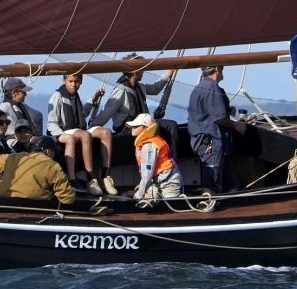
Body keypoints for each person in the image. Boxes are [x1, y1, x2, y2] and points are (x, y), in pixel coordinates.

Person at [47, 70, 118, 195]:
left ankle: (105, 176)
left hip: (79, 129)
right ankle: (90, 179)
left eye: (77, 81)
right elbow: (51, 122)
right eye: (70, 81)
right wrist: (61, 135)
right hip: (65, 130)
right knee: (85, 135)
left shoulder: (76, 96)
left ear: (81, 82)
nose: (73, 85)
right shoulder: (57, 96)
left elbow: (82, 114)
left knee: (106, 132)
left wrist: (94, 98)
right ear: (64, 81)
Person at [187, 62, 244, 194]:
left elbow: (205, 111)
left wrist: (226, 109)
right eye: (222, 68)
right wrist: (237, 125)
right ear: (217, 68)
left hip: (204, 142)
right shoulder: (212, 88)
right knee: (213, 184)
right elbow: (219, 118)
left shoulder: (200, 87)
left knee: (232, 184)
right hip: (212, 144)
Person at [0, 138, 75, 208]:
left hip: (1, 204)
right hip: (31, 208)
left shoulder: (15, 157)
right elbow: (67, 198)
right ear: (48, 151)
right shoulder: (53, 166)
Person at [92, 65, 175, 136]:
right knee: (171, 126)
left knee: (171, 127)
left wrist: (167, 75)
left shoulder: (139, 87)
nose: (143, 71)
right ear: (135, 72)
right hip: (128, 130)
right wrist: (91, 129)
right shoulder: (121, 91)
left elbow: (155, 89)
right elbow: (106, 113)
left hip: (141, 124)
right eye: (142, 69)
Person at [129, 112, 183, 207]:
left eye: (136, 126)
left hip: (168, 183)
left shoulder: (148, 146)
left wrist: (139, 194)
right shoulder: (152, 140)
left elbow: (147, 174)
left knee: (169, 206)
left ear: (145, 128)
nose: (132, 128)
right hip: (161, 180)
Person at [0, 77, 45, 146]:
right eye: (23, 92)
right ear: (14, 93)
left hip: (25, 140)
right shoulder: (5, 107)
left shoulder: (21, 106)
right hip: (12, 143)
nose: (26, 94)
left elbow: (38, 115)